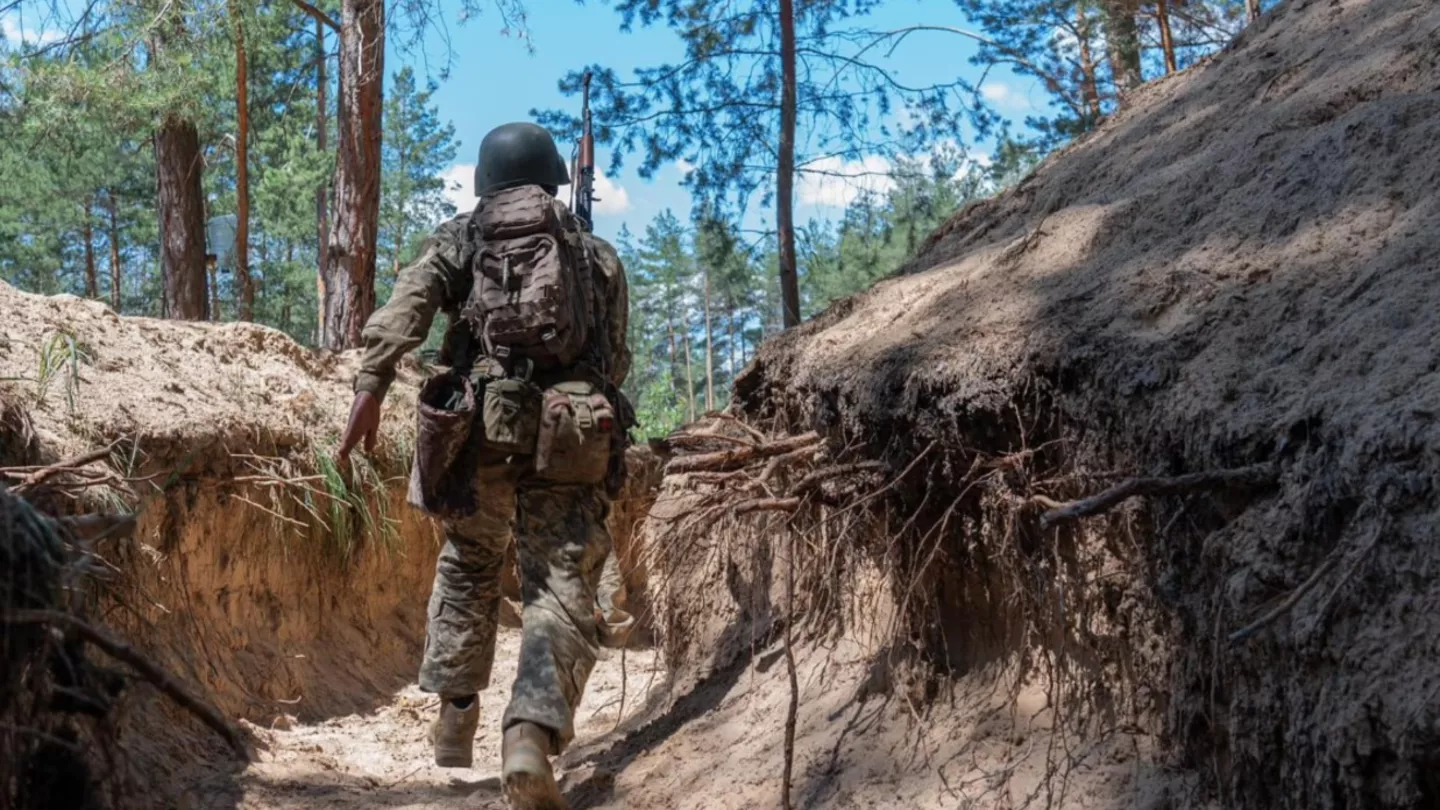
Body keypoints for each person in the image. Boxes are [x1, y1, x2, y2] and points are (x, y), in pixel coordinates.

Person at [336, 121, 632, 810]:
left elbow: (406, 308)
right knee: (560, 581)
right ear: (553, 180)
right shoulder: (596, 254)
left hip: (476, 429)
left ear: (484, 180)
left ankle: (454, 720)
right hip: (571, 433)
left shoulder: (461, 237)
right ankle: (529, 733)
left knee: (469, 563)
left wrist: (370, 386)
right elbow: (615, 363)